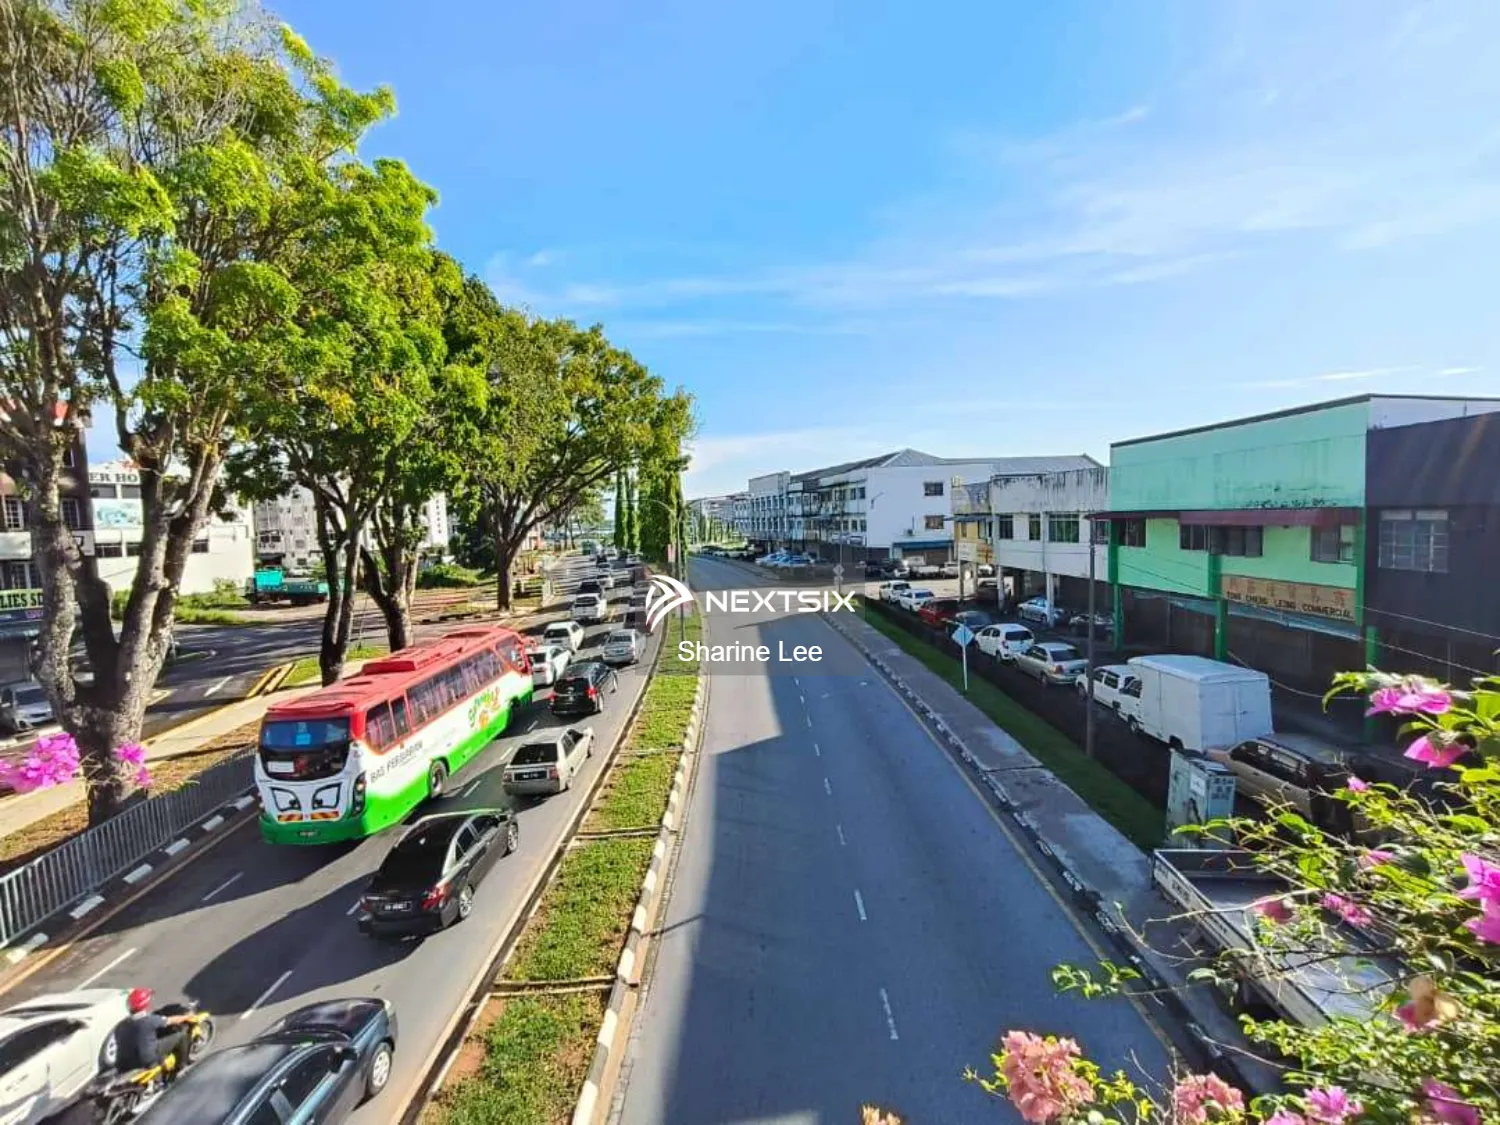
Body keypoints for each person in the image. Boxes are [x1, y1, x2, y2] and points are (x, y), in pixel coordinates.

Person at [121, 988, 194, 1082]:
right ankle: (181, 1068)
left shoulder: (127, 1022)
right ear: (144, 1004)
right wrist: (187, 1016)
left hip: (132, 1058)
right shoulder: (150, 1020)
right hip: (149, 1057)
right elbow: (172, 1020)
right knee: (182, 1036)